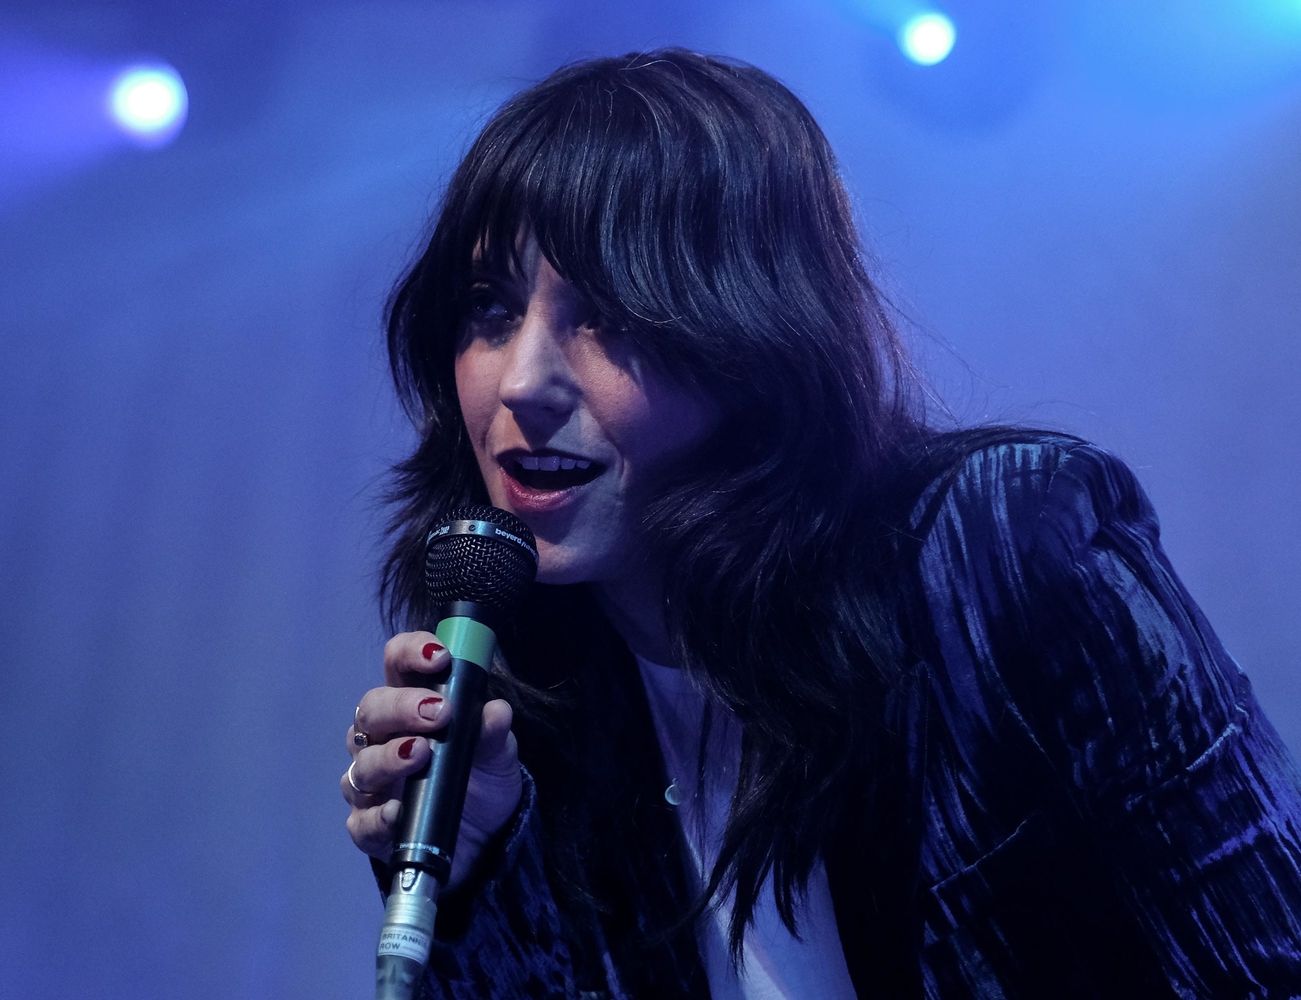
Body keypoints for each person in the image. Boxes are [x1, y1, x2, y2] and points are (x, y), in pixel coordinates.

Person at [339, 48, 1301, 999]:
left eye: (606, 314)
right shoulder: (529, 719)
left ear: (750, 333)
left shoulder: (1003, 548)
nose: (520, 383)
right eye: (488, 308)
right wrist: (470, 882)